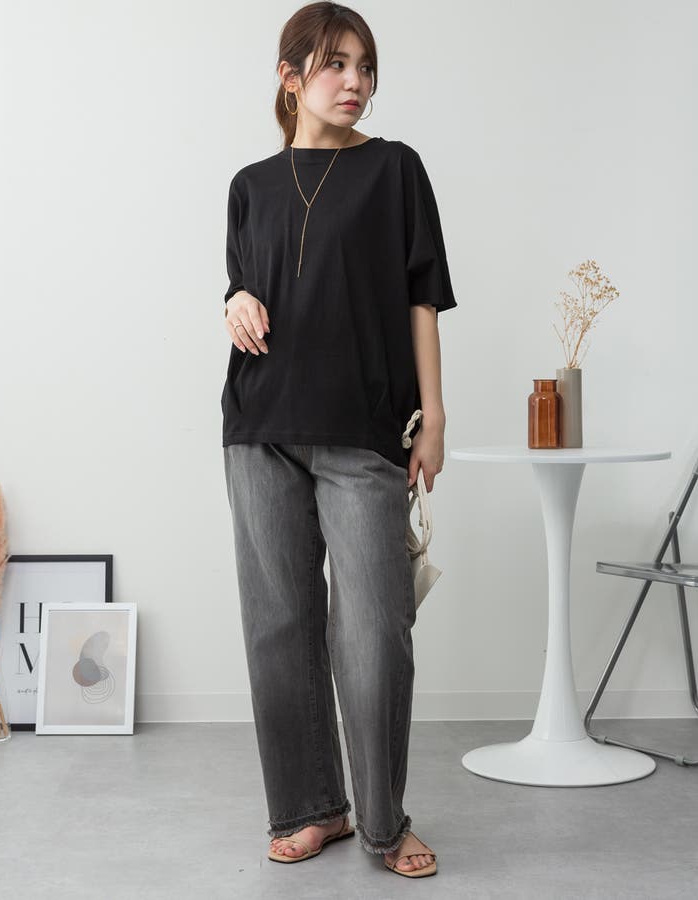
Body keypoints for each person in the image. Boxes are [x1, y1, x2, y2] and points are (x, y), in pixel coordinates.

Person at [220, 1, 456, 880]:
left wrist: (433, 414)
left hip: (364, 430)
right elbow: (248, 287)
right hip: (261, 428)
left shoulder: (395, 169)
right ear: (290, 78)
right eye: (335, 64)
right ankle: (312, 807)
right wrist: (232, 300)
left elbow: (422, 296)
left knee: (375, 631)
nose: (355, 81)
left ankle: (386, 823)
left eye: (365, 66)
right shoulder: (250, 185)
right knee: (279, 625)